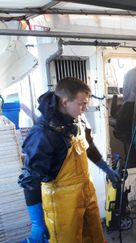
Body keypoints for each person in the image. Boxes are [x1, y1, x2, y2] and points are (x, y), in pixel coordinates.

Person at [18, 77, 121, 243]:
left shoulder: (77, 120)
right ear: (65, 102)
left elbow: (89, 147)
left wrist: (106, 169)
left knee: (96, 238)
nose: (84, 108)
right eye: (81, 104)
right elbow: (30, 181)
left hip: (86, 195)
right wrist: (37, 223)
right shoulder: (43, 133)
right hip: (61, 206)